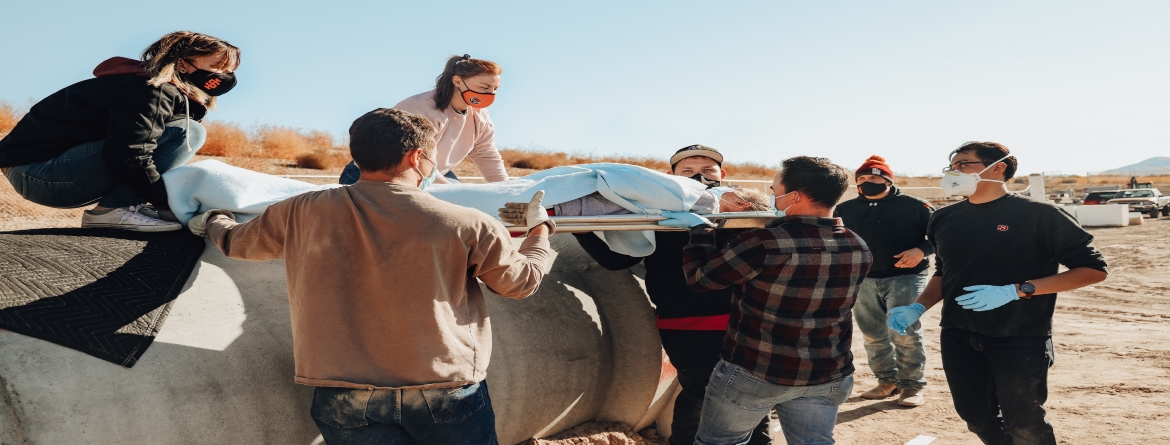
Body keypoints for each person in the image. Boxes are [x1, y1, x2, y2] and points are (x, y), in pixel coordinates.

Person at [189, 108, 554, 444]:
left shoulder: (301, 211)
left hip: (342, 392)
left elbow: (237, 242)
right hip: (444, 388)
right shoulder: (468, 223)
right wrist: (539, 232)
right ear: (417, 158)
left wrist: (213, 219)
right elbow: (519, 284)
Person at [888, 142, 1108, 445]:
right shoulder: (942, 218)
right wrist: (918, 307)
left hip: (1020, 335)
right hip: (958, 333)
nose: (955, 171)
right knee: (975, 416)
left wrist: (1017, 291)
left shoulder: (1040, 215)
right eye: (952, 166)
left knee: (1025, 421)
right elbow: (943, 271)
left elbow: (1093, 270)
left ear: (998, 167)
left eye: (963, 164)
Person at [569, 145, 773, 445]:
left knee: (752, 387)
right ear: (671, 176)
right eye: (687, 171)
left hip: (746, 320)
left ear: (722, 174)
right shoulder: (656, 211)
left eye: (707, 170)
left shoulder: (741, 208)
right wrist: (582, 229)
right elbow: (618, 260)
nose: (699, 177)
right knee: (701, 389)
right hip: (686, 323)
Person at [675, 156, 871, 445]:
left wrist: (700, 233)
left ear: (795, 196)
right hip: (828, 373)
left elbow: (700, 279)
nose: (772, 196)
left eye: (775, 189)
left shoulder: (764, 242)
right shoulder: (857, 244)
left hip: (756, 372)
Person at [0, 31, 240, 231]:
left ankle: (121, 205)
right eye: (218, 67)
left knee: (181, 130)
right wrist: (167, 205)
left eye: (229, 70)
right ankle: (113, 210)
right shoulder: (152, 91)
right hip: (38, 175)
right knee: (188, 133)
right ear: (182, 64)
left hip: (39, 172)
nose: (225, 77)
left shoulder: (149, 87)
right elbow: (129, 153)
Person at [834, 155, 934, 407]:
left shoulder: (917, 206)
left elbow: (942, 236)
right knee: (872, 335)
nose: (869, 181)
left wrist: (921, 250)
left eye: (876, 177)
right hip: (863, 279)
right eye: (863, 178)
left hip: (906, 277)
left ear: (888, 180)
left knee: (904, 331)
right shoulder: (844, 210)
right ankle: (887, 381)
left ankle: (911, 386)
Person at [340, 54, 506, 185]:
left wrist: (506, 190)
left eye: (495, 89)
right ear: (457, 81)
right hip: (376, 175)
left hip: (434, 173)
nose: (491, 94)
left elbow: (485, 153)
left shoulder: (480, 116)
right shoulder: (420, 108)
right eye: (484, 87)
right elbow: (415, 159)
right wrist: (451, 193)